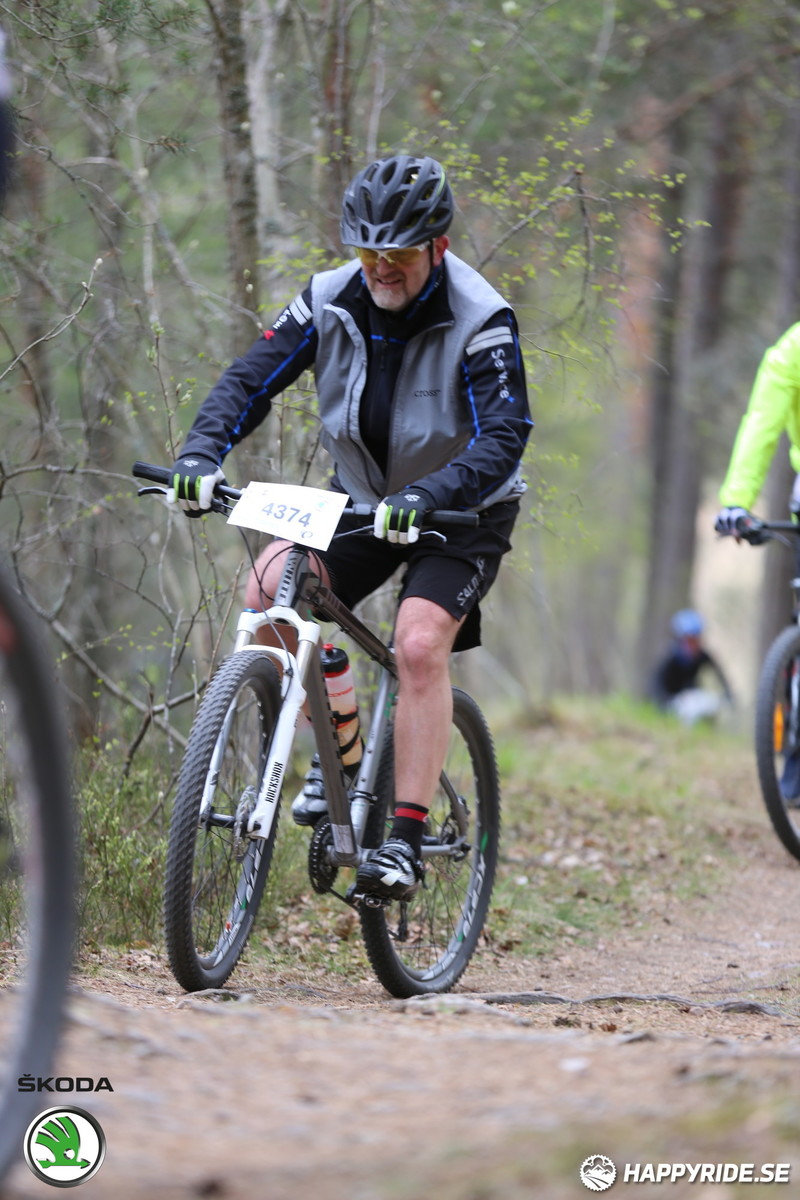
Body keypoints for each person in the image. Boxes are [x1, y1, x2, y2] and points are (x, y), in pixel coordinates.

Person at [169, 154, 532, 902]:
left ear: (438, 245)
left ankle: (401, 840)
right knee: (270, 585)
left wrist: (432, 492)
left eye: (395, 253)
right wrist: (201, 453)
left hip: (464, 510)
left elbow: (504, 435)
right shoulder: (331, 296)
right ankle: (336, 733)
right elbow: (252, 376)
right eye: (366, 250)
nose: (378, 267)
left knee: (420, 643)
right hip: (366, 500)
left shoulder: (481, 316)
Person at [715, 322, 800, 535]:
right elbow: (762, 424)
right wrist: (737, 500)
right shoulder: (794, 349)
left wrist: (737, 502)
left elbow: (761, 422)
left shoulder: (794, 345)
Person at [650, 609, 733, 725]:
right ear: (680, 640)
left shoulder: (702, 656)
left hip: (692, 695)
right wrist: (664, 703)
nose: (693, 645)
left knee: (709, 704)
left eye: (696, 640)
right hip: (673, 702)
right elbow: (656, 684)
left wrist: (728, 694)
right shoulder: (670, 658)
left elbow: (719, 674)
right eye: (689, 640)